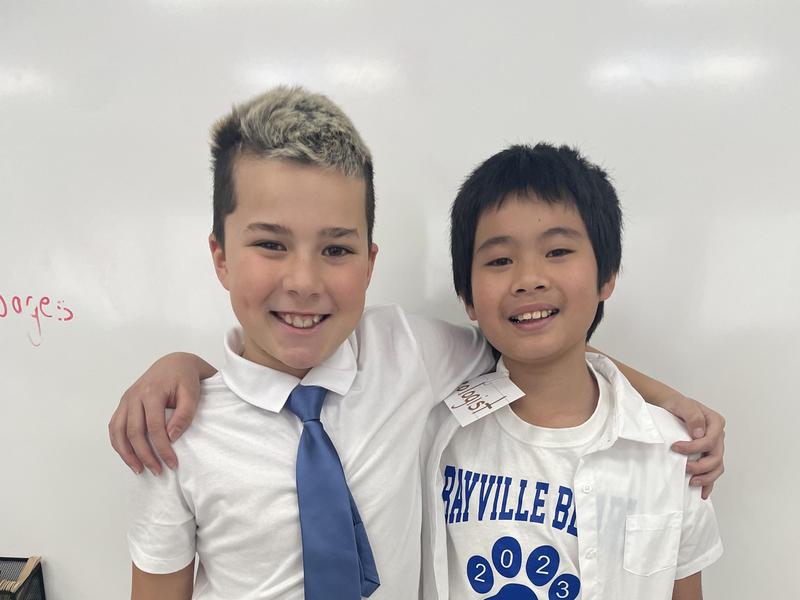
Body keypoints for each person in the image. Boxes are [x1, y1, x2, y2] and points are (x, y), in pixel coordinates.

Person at [117, 86, 725, 599]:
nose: (302, 281)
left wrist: (669, 400)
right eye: (270, 244)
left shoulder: (409, 352)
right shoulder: (174, 433)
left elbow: (540, 342)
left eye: (336, 249)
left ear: (370, 260)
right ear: (219, 257)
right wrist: (180, 367)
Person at [420, 144, 722, 600]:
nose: (529, 278)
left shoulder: (671, 451)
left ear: (607, 276)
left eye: (558, 251)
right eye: (500, 260)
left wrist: (668, 403)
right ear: (467, 296)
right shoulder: (432, 431)